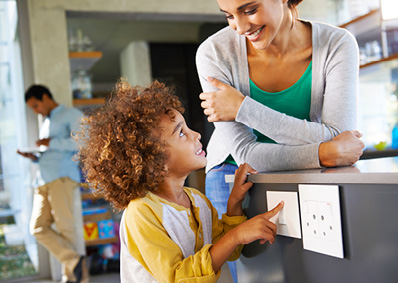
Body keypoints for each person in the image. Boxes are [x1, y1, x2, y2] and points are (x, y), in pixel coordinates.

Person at [196, 0, 365, 281]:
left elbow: (340, 135)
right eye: (229, 16)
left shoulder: (337, 44)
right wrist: (323, 153)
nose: (240, 27)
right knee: (245, 275)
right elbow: (246, 154)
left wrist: (242, 108)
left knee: (308, 269)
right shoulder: (214, 54)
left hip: (302, 168)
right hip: (233, 174)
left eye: (250, 10)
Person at [77, 80, 284, 282]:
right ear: (152, 160)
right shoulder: (141, 213)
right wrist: (237, 235)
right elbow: (178, 277)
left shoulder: (198, 201)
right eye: (182, 133)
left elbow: (226, 250)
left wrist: (234, 204)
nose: (196, 135)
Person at [17, 85, 87, 283]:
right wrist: (34, 156)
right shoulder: (46, 122)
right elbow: (52, 150)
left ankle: (74, 278)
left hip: (61, 178)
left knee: (66, 228)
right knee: (37, 227)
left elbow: (83, 141)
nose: (35, 111)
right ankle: (74, 261)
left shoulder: (70, 114)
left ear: (46, 97)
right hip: (43, 178)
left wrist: (50, 143)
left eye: (36, 105)